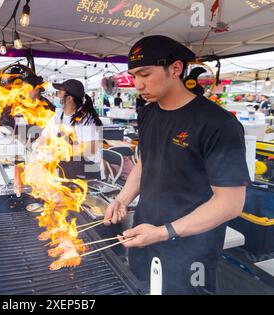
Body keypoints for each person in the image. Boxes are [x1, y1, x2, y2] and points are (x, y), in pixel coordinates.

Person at [104, 35, 250, 295]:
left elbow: (230, 204)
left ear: (175, 69)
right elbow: (145, 161)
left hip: (191, 247)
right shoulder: (149, 112)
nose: (138, 84)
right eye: (134, 76)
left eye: (145, 74)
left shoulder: (218, 123)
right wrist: (122, 200)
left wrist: (163, 232)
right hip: (144, 233)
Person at [38, 79, 104, 180]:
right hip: (67, 171)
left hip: (88, 173)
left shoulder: (86, 119)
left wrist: (60, 150)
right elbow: (43, 140)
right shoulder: (57, 116)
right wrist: (34, 148)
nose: (57, 95)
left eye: (59, 92)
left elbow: (90, 149)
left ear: (69, 98)